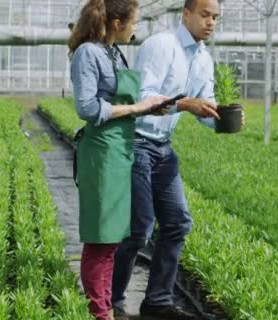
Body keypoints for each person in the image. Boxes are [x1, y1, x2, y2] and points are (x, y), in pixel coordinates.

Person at [111, 0, 244, 319]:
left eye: (215, 17)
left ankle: (157, 302)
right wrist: (186, 104)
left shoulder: (202, 59)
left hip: (162, 147)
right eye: (204, 15)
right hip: (136, 142)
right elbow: (146, 97)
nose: (210, 22)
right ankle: (110, 300)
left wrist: (221, 117)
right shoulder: (161, 45)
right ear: (186, 14)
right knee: (138, 228)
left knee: (177, 222)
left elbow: (204, 105)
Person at [68, 0, 170, 319]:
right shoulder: (89, 53)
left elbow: (124, 101)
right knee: (100, 237)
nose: (136, 27)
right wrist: (138, 109)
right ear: (116, 23)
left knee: (113, 237)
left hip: (120, 150)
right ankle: (99, 311)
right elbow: (87, 108)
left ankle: (105, 305)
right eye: (134, 22)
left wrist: (152, 106)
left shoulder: (114, 52)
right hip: (102, 152)